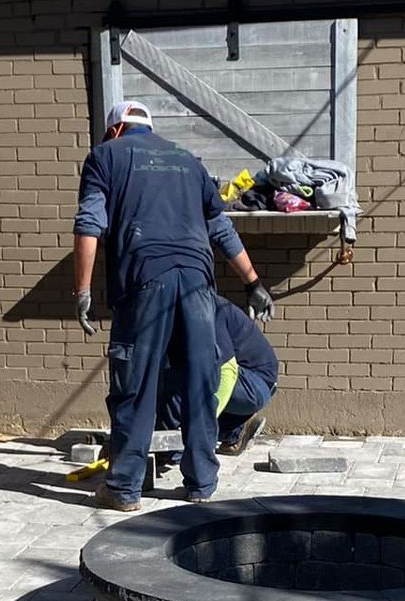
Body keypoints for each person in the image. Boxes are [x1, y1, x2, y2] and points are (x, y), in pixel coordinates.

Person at [72, 101, 274, 512]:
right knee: (200, 380)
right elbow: (221, 227)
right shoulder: (187, 160)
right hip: (199, 281)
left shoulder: (103, 156)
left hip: (145, 280)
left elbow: (89, 223)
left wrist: (82, 290)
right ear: (149, 128)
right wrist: (253, 283)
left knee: (136, 383)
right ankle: (201, 482)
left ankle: (125, 489)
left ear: (114, 130)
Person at [156, 296, 279, 469]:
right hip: (248, 383)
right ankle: (233, 431)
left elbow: (227, 373)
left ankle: (175, 449)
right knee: (178, 370)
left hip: (256, 385)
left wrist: (203, 422)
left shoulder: (211, 312)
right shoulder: (188, 309)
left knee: (183, 375)